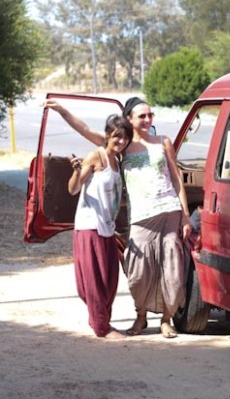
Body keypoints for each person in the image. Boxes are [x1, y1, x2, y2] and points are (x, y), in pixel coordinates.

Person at [45, 97, 192, 339]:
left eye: (150, 115)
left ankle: (166, 320)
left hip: (169, 211)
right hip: (141, 216)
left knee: (171, 268)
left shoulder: (162, 142)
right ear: (129, 119)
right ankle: (141, 317)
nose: (147, 120)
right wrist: (62, 111)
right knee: (138, 272)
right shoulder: (122, 146)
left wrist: (185, 216)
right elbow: (84, 129)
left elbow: (176, 180)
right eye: (141, 116)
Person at [67, 114, 133, 339]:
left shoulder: (119, 160)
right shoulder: (96, 156)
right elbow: (73, 189)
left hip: (107, 226)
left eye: (125, 137)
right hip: (89, 225)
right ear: (107, 136)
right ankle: (101, 326)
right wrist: (77, 172)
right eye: (117, 137)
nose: (121, 141)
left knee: (110, 279)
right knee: (95, 280)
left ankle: (99, 318)